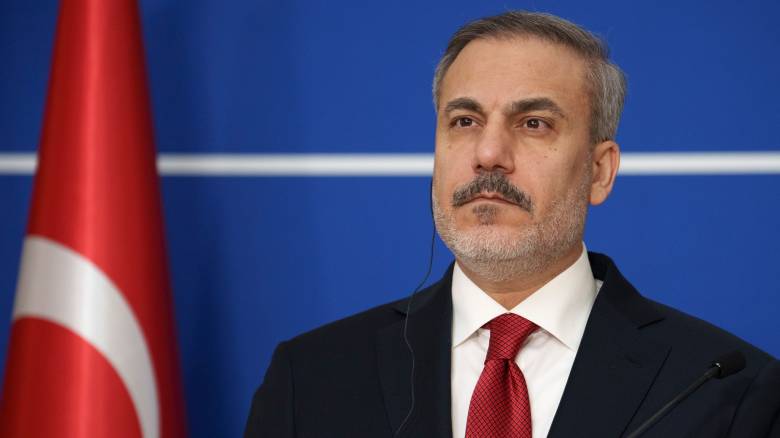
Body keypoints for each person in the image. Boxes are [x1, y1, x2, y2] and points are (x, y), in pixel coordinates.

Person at [244, 11, 780, 438]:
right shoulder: (309, 376)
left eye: (533, 123)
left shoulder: (727, 390)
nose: (488, 154)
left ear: (599, 171)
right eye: (464, 121)